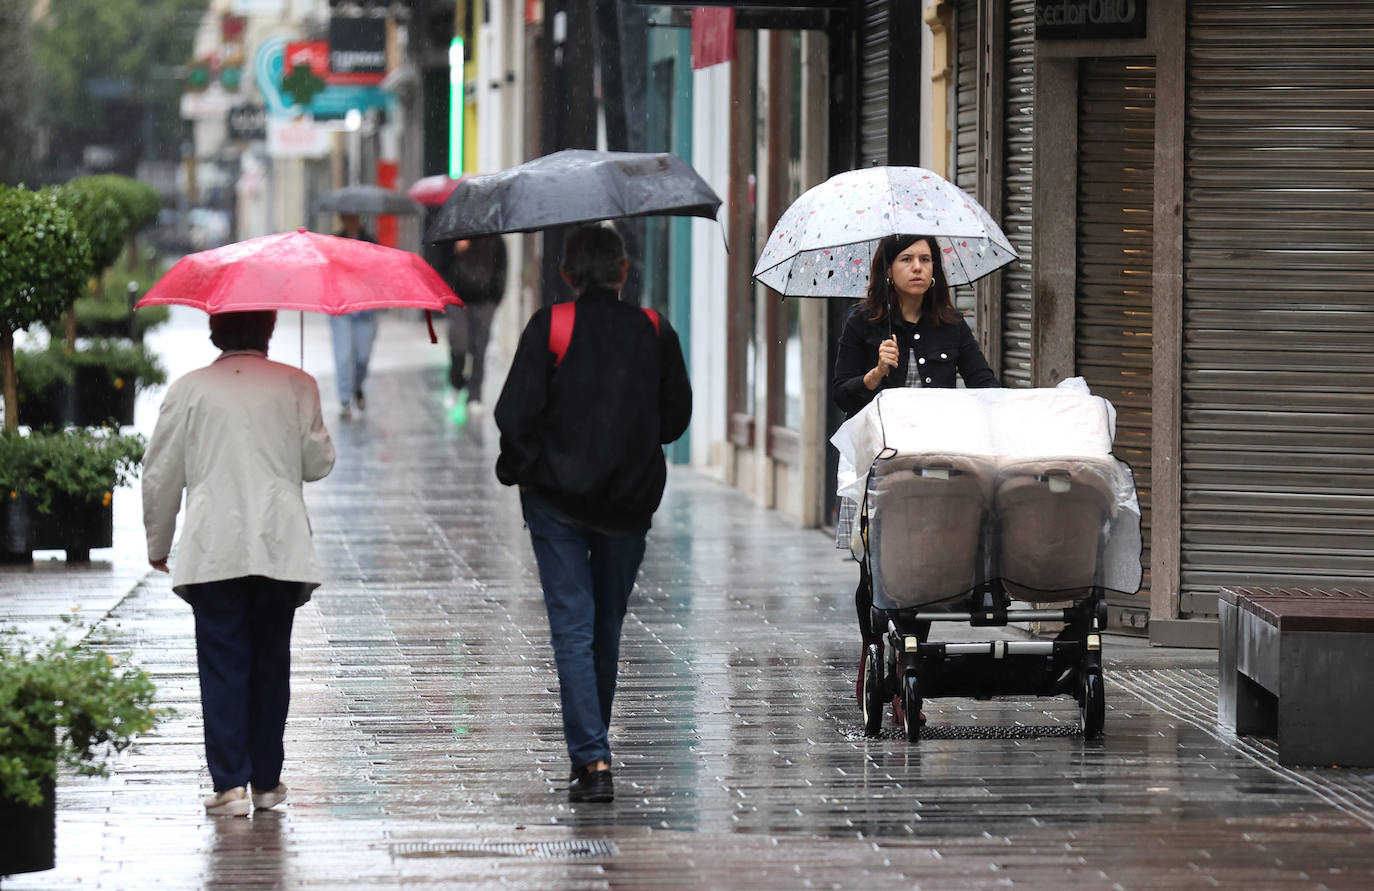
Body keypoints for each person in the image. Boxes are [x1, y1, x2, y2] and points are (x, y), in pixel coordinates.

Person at [494, 224, 692, 803]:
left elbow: (515, 415)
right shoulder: (654, 330)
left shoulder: (550, 327)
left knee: (572, 627)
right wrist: (631, 439)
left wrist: (526, 470)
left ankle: (593, 758)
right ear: (624, 272)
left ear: (566, 275)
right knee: (605, 626)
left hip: (556, 503)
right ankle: (592, 751)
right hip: (627, 506)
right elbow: (675, 416)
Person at [142, 310, 335, 817]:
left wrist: (158, 541)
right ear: (269, 329)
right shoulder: (296, 384)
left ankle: (230, 784)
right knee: (272, 661)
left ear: (215, 331)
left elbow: (161, 473)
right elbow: (317, 465)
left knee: (223, 663)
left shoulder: (189, 390)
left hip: (213, 547)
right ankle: (268, 782)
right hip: (279, 544)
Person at [831, 234, 1000, 715]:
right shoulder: (863, 324)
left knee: (923, 566)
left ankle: (908, 663)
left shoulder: (951, 324)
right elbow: (842, 395)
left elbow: (984, 384)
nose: (918, 268)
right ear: (889, 269)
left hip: (933, 462)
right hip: (877, 465)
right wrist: (874, 375)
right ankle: (874, 648)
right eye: (907, 259)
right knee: (877, 565)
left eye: (926, 259)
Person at [441, 234, 508, 414]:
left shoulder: (494, 239)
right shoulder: (454, 236)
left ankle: (475, 395)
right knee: (458, 342)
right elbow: (441, 265)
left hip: (485, 301)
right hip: (457, 299)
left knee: (479, 347)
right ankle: (456, 383)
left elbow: (501, 267)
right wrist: (457, 251)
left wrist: (495, 297)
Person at [330, 212, 380, 418]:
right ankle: (344, 399)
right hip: (341, 307)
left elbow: (377, 271)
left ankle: (357, 387)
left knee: (362, 357)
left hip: (366, 308)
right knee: (343, 356)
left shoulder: (370, 242)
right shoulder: (334, 242)